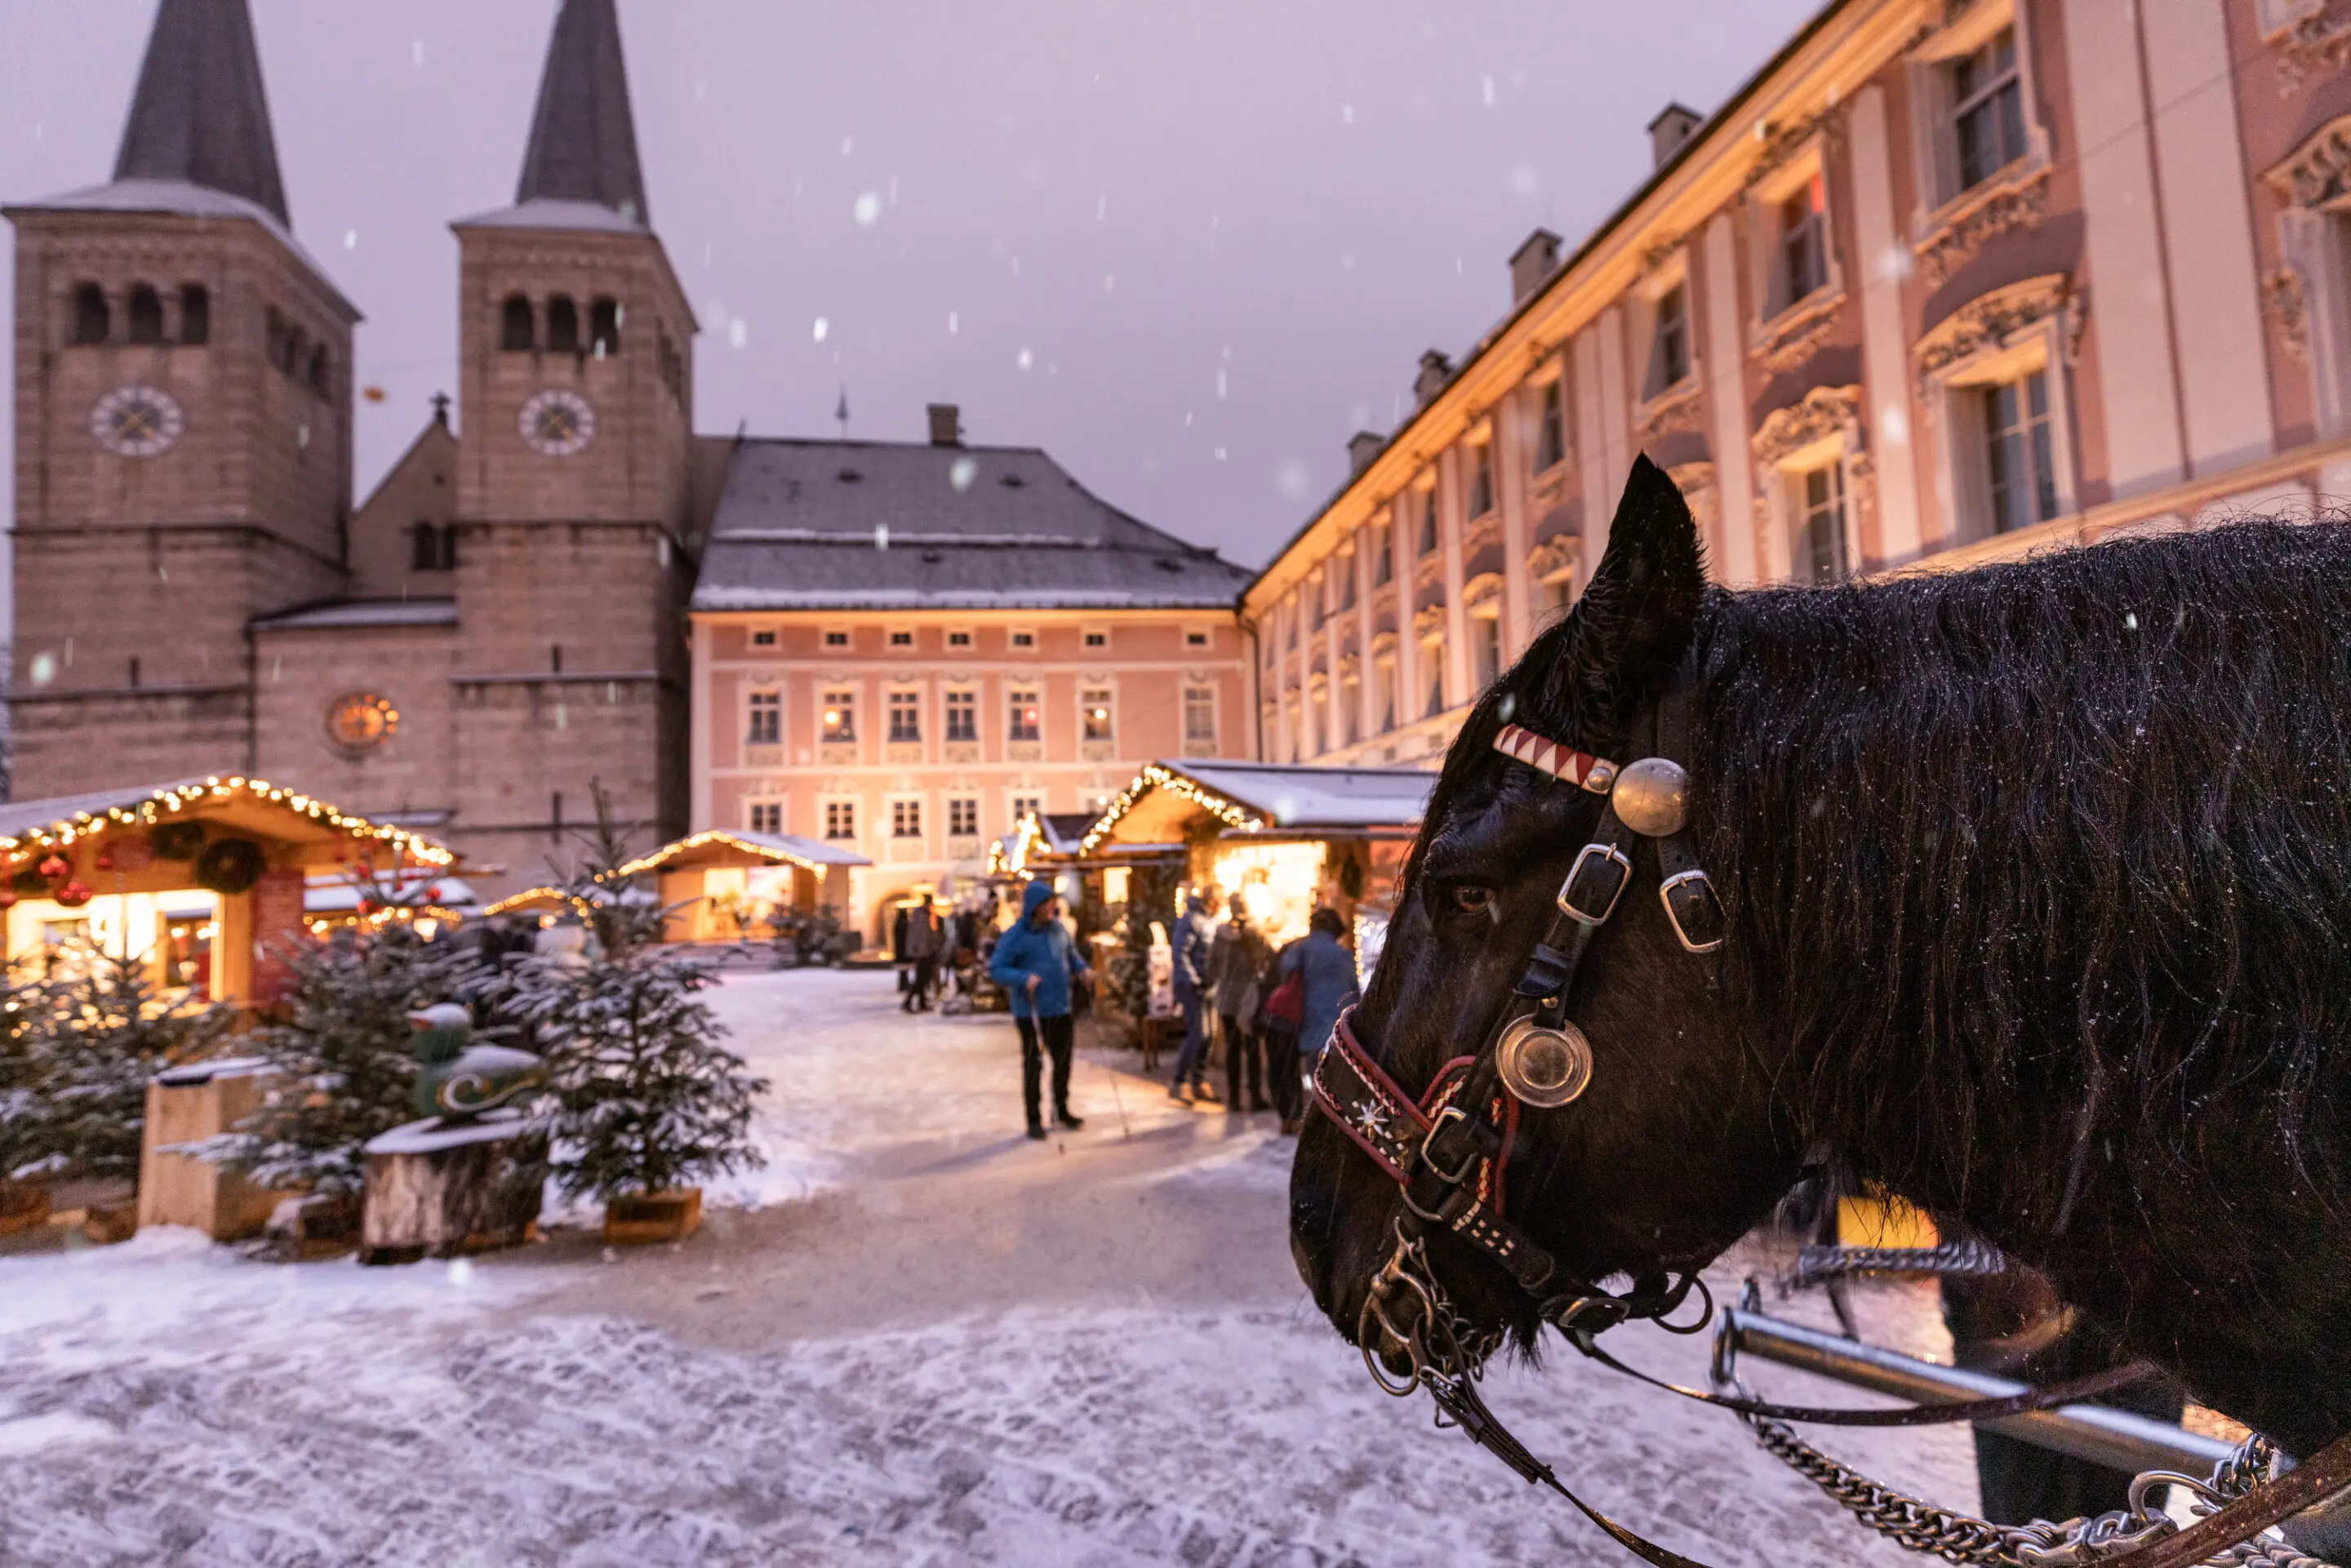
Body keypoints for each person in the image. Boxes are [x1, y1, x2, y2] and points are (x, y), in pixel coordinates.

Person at [989, 879, 1092, 1139]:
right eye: (1047, 903)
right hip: (1031, 1012)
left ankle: (1061, 1109)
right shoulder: (1015, 936)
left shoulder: (1058, 930)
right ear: (1034, 906)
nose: (1052, 907)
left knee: (1063, 1063)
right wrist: (1024, 978)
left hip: (1060, 1007)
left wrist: (1082, 970)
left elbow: (1072, 955)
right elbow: (997, 969)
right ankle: (1034, 1119)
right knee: (1034, 1065)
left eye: (1053, 902)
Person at [1276, 906, 1359, 1116]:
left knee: (1314, 1072)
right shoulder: (1343, 955)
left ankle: (1317, 1112)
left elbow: (1286, 967)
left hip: (1310, 1019)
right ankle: (1334, 1113)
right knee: (1337, 1074)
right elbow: (1354, 991)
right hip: (1339, 1024)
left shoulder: (1302, 949)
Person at [1207, 893, 1273, 1113]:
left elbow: (1212, 964)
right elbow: (1268, 955)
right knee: (1252, 1048)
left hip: (1227, 997)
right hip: (1248, 998)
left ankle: (1234, 1098)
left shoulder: (1221, 933)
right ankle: (1255, 1096)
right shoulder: (1255, 933)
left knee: (1232, 1049)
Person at [1165, 887, 1223, 1103]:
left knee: (1210, 1034)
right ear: (1210, 901)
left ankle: (1198, 1080)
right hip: (1192, 987)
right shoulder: (1190, 920)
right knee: (1198, 1033)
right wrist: (1193, 980)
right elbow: (1180, 954)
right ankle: (1179, 1081)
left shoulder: (1212, 921)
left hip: (1208, 987)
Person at [902, 896, 942, 1012]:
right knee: (921, 979)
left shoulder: (924, 916)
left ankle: (921, 1002)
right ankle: (908, 1002)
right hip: (922, 953)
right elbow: (921, 936)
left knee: (923, 978)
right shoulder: (922, 917)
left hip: (923, 952)